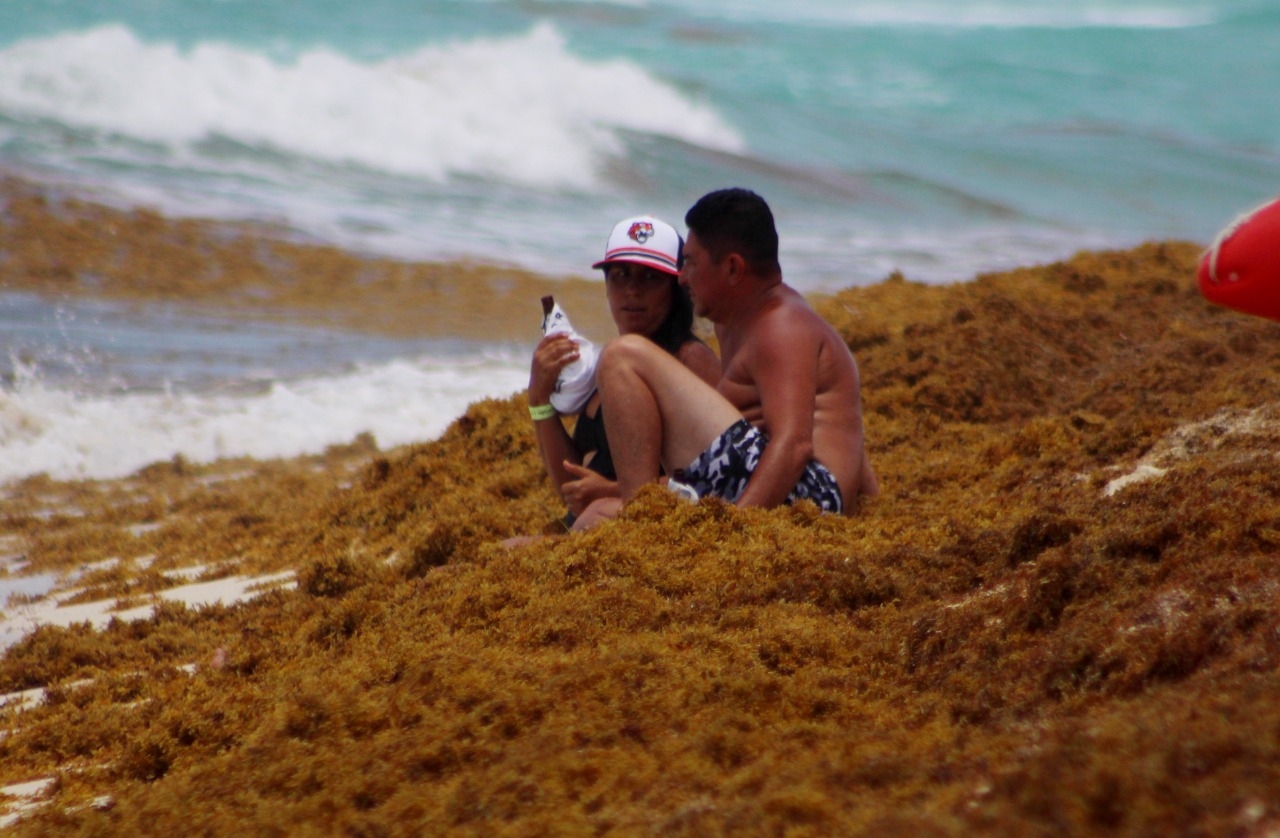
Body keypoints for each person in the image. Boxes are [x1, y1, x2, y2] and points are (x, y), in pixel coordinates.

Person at [596, 188, 878, 514]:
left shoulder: (783, 326)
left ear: (732, 268)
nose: (682, 277)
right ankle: (639, 515)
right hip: (771, 483)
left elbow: (795, 445)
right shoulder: (735, 323)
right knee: (596, 514)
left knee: (623, 355)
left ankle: (640, 521)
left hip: (811, 497)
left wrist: (737, 530)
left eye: (689, 262)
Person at [527, 215, 720, 532]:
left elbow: (719, 474)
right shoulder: (611, 366)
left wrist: (611, 491)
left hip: (646, 523)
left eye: (650, 278)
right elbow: (572, 489)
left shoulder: (690, 359)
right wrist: (539, 399)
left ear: (677, 289)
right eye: (619, 275)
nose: (632, 290)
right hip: (596, 520)